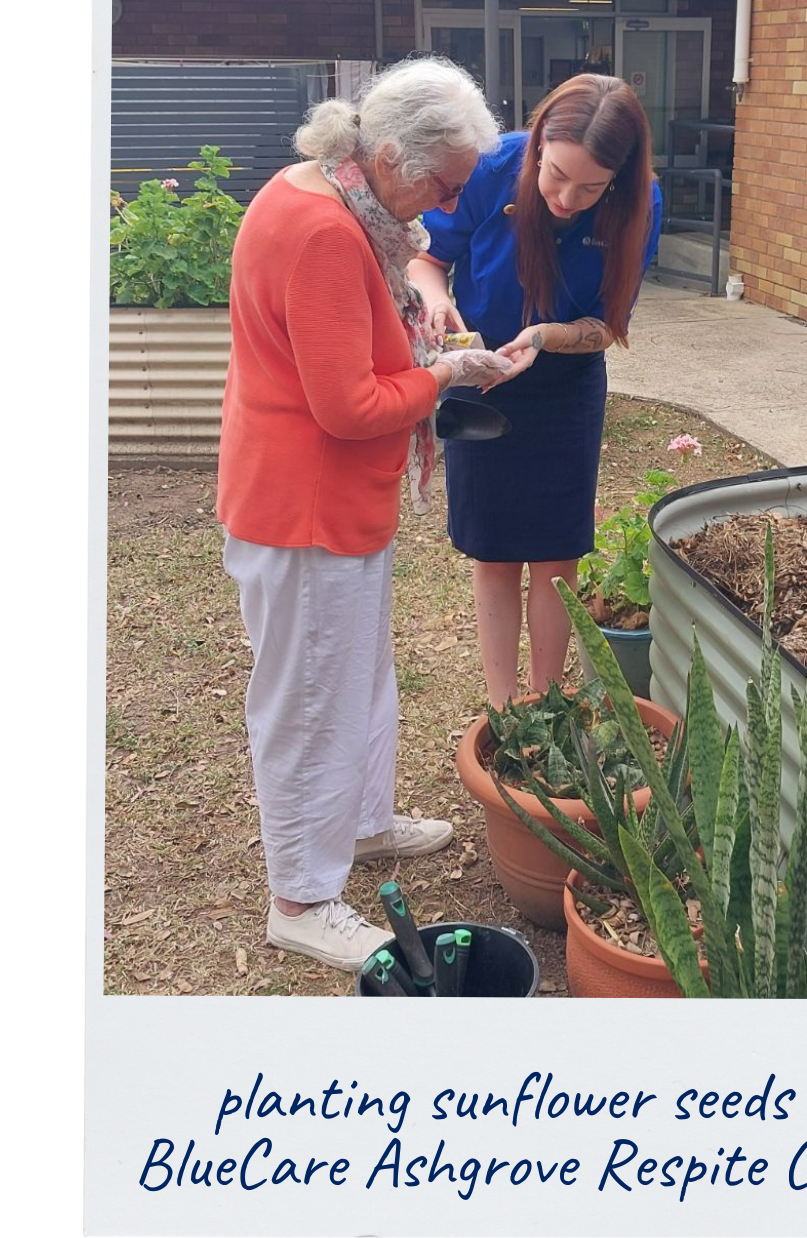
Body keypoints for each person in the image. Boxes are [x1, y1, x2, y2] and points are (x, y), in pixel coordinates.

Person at [216, 58, 511, 972]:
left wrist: (425, 336)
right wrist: (447, 374)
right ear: (391, 155)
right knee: (310, 698)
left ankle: (362, 820)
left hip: (325, 498)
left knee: (354, 675)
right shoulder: (326, 233)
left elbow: (354, 345)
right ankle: (301, 897)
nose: (449, 202)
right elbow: (348, 406)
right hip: (304, 501)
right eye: (445, 181)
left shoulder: (331, 197)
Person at [407, 74, 662, 707]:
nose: (567, 199)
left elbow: (606, 327)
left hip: (565, 388)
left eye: (591, 188)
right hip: (477, 376)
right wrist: (436, 303)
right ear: (538, 143)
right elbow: (427, 259)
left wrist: (546, 337)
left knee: (556, 555)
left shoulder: (642, 203)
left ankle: (548, 704)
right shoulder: (491, 166)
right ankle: (501, 705)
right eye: (554, 176)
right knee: (491, 551)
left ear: (620, 179)